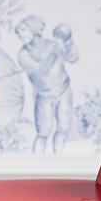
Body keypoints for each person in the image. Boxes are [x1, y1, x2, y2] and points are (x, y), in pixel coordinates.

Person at [16, 16, 76, 153]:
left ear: (34, 29)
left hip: (63, 90)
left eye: (23, 29)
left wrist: (67, 41)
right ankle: (38, 165)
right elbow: (40, 70)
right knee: (43, 132)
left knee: (63, 127)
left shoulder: (52, 44)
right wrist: (54, 54)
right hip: (43, 95)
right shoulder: (23, 54)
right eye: (18, 31)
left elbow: (73, 58)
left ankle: (58, 160)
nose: (19, 34)